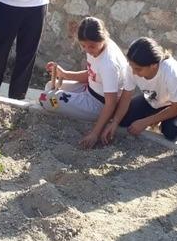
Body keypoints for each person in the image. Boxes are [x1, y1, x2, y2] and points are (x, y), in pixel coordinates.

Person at [40, 17, 128, 149]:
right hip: (89, 89)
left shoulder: (108, 64)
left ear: (102, 39)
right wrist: (65, 74)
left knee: (46, 99)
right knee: (49, 86)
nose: (87, 50)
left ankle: (93, 116)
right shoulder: (98, 47)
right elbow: (92, 75)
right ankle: (64, 103)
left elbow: (111, 103)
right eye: (83, 46)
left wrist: (95, 133)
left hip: (99, 104)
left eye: (91, 46)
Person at [103, 37, 177, 143]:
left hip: (175, 104)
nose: (134, 72)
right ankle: (155, 117)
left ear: (153, 65)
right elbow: (126, 97)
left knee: (172, 132)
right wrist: (114, 122)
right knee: (122, 120)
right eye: (131, 66)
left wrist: (145, 122)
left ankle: (158, 120)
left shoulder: (171, 71)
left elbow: (176, 108)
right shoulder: (132, 68)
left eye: (138, 69)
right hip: (152, 98)